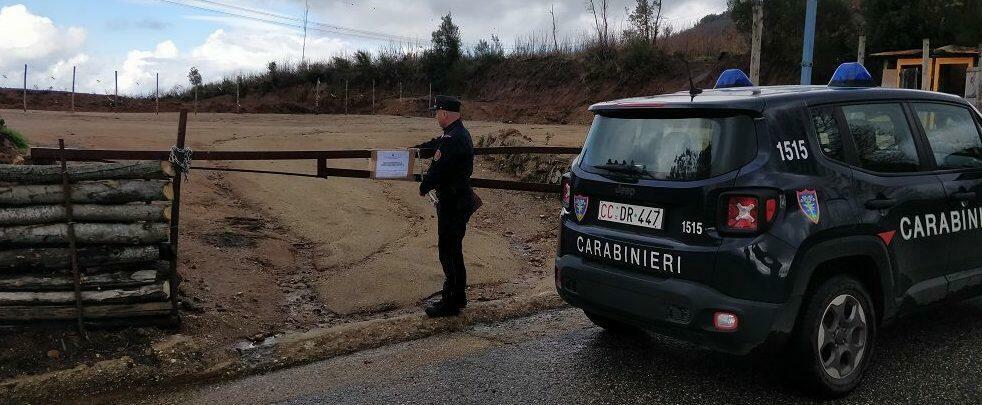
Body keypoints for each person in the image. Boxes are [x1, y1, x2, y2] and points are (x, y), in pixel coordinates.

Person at [414, 95, 475, 318]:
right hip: (458, 200)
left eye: (437, 113)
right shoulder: (458, 133)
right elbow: (435, 145)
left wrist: (424, 187)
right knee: (454, 250)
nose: (436, 116)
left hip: (453, 203)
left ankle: (450, 303)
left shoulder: (452, 138)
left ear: (444, 114)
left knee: (448, 251)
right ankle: (458, 296)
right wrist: (415, 150)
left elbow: (438, 169)